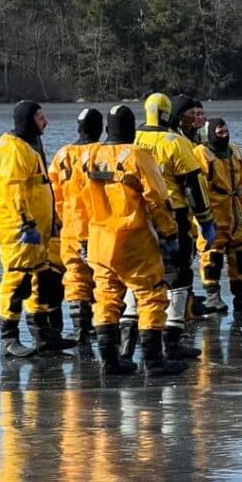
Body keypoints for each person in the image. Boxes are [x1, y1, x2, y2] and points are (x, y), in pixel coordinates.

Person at [74, 105, 186, 376]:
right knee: (151, 295)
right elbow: (157, 197)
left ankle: (110, 361)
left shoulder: (90, 155)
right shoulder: (138, 155)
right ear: (132, 129)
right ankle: (154, 361)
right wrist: (170, 233)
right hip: (133, 240)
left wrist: (83, 239)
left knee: (106, 297)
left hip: (99, 242)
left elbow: (79, 203)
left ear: (107, 129)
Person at [135, 92, 216, 360]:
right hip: (173, 215)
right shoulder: (175, 142)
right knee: (179, 276)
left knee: (140, 276)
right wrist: (206, 220)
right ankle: (171, 338)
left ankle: (133, 339)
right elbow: (193, 185)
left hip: (138, 217)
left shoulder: (132, 139)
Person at [0, 100, 75, 358]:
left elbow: (42, 188)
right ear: (29, 120)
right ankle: (8, 338)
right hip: (19, 231)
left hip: (40, 230)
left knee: (43, 279)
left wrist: (53, 221)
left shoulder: (31, 145)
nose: (46, 122)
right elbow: (13, 190)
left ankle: (43, 334)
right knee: (17, 281)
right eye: (40, 118)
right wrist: (25, 223)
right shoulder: (12, 149)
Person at [193, 118, 242, 314]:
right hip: (213, 214)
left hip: (234, 213)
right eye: (219, 133)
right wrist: (204, 218)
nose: (224, 136)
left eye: (225, 132)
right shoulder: (201, 154)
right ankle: (212, 296)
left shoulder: (235, 152)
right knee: (212, 255)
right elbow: (197, 188)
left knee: (241, 252)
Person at [47, 107, 102, 343]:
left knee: (75, 275)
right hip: (100, 226)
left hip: (69, 227)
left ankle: (81, 328)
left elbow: (54, 194)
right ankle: (104, 324)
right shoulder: (102, 153)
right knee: (103, 276)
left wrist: (60, 220)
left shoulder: (62, 155)